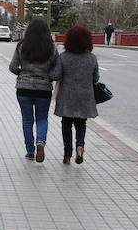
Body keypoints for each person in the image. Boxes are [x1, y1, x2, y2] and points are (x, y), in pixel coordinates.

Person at [9, 18, 59, 162]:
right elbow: (57, 70)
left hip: (24, 89)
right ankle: (41, 142)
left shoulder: (21, 45)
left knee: (27, 120)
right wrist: (49, 77)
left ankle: (30, 151)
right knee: (42, 118)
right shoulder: (52, 47)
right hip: (44, 89)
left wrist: (22, 75)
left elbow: (12, 67)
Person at [51, 25, 99, 164]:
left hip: (67, 96)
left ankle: (67, 154)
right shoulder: (92, 58)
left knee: (66, 124)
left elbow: (56, 75)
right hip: (85, 96)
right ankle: (80, 147)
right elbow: (96, 78)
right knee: (81, 123)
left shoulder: (63, 57)